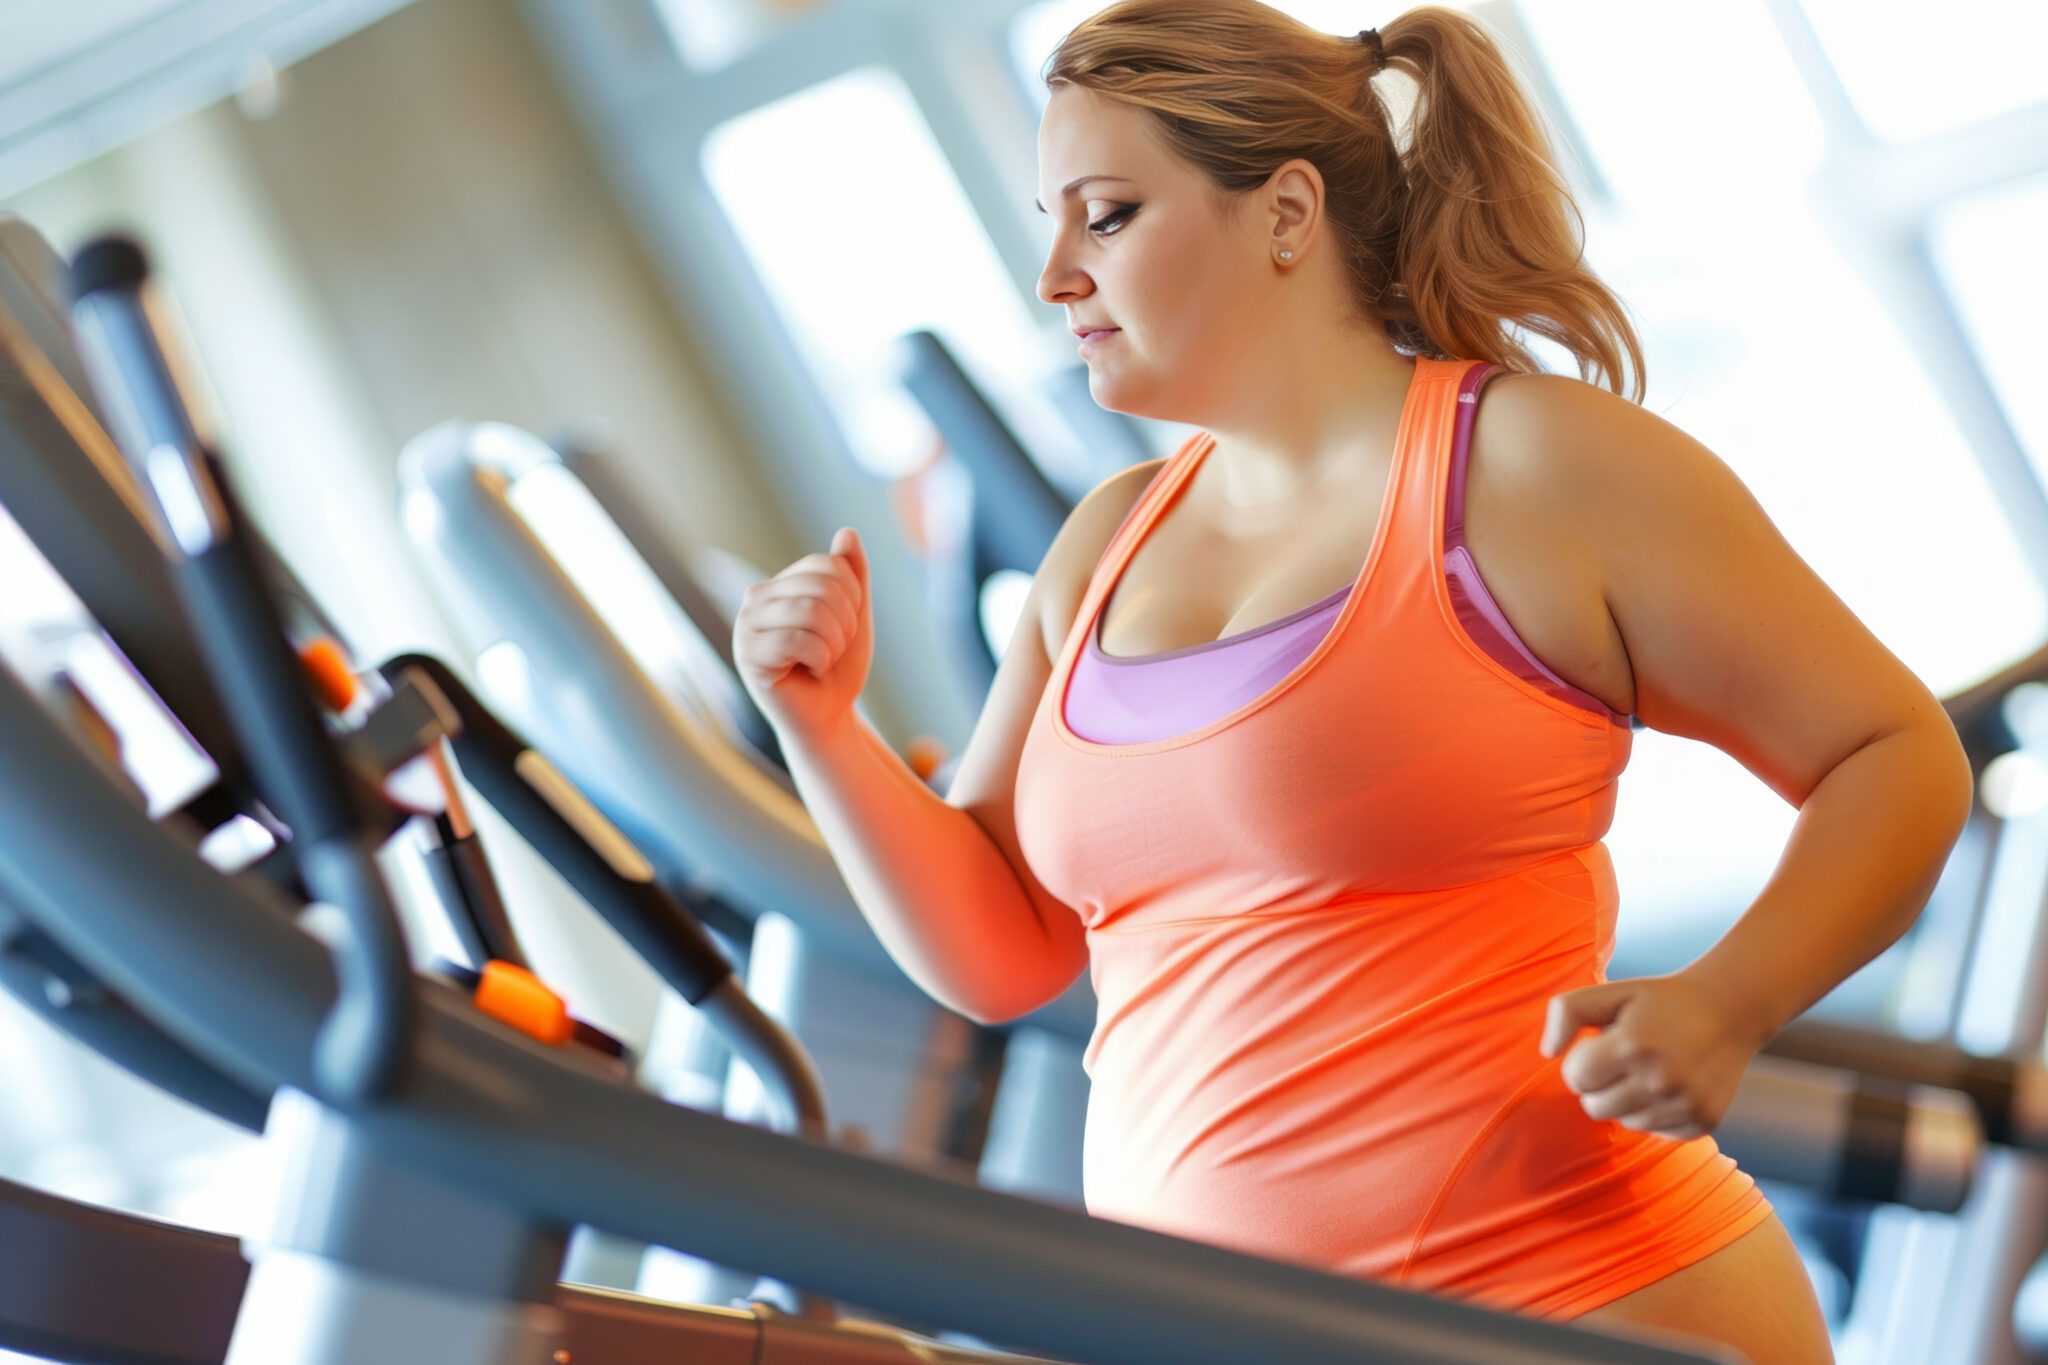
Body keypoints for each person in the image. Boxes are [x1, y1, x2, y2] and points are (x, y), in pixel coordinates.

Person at [733, 5, 1973, 1362]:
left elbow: (1892, 751)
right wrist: (818, 722)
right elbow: (997, 945)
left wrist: (1729, 1000)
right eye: (1051, 219)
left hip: (1584, 1302)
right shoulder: (1109, 542)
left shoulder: (1528, 469)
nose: (1053, 275)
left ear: (1284, 213)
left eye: (1105, 215)